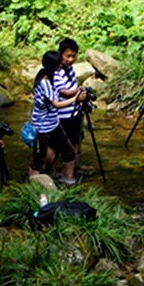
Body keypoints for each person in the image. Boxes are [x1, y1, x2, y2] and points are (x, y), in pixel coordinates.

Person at [29, 50, 83, 186]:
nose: (61, 65)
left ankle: (68, 181)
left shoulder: (50, 77)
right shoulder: (45, 82)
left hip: (54, 123)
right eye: (59, 64)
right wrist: (75, 99)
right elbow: (56, 104)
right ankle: (33, 186)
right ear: (54, 66)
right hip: (42, 127)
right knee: (38, 161)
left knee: (69, 152)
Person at [53, 37, 89, 174]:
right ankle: (55, 172)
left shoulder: (70, 69)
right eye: (68, 56)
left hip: (74, 111)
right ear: (60, 54)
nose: (71, 59)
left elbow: (72, 86)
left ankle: (75, 167)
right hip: (62, 114)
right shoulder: (56, 70)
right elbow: (62, 92)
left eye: (73, 56)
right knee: (58, 145)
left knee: (76, 141)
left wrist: (79, 91)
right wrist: (77, 93)